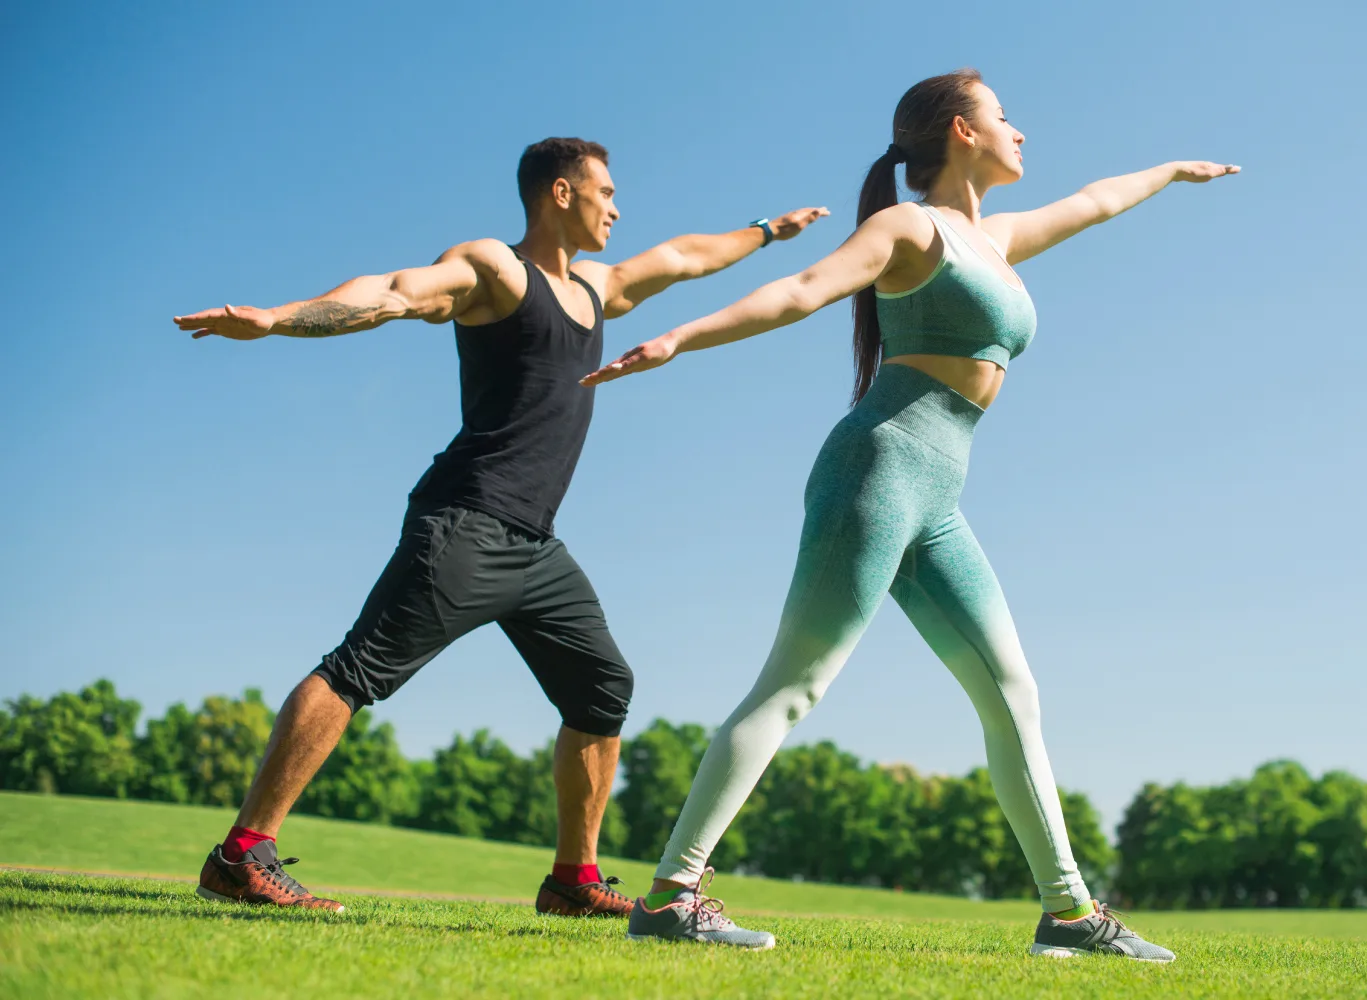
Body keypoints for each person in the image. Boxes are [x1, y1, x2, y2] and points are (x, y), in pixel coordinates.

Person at [582, 70, 1237, 957]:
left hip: (940, 496)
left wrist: (1168, 170)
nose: (1022, 131)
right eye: (1004, 116)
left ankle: (1072, 914)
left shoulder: (994, 237)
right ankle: (671, 893)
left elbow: (1093, 202)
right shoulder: (908, 228)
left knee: (1013, 695)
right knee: (795, 682)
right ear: (962, 131)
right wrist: (678, 338)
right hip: (877, 469)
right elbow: (801, 289)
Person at [173, 137, 828, 917]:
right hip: (466, 522)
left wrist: (765, 230)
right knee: (359, 669)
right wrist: (278, 320)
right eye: (605, 193)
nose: (616, 208)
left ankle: (572, 883)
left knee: (601, 687)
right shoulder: (495, 269)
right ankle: (242, 854)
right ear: (560, 193)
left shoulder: (597, 286)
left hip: (535, 545)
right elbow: (391, 291)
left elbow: (686, 256)